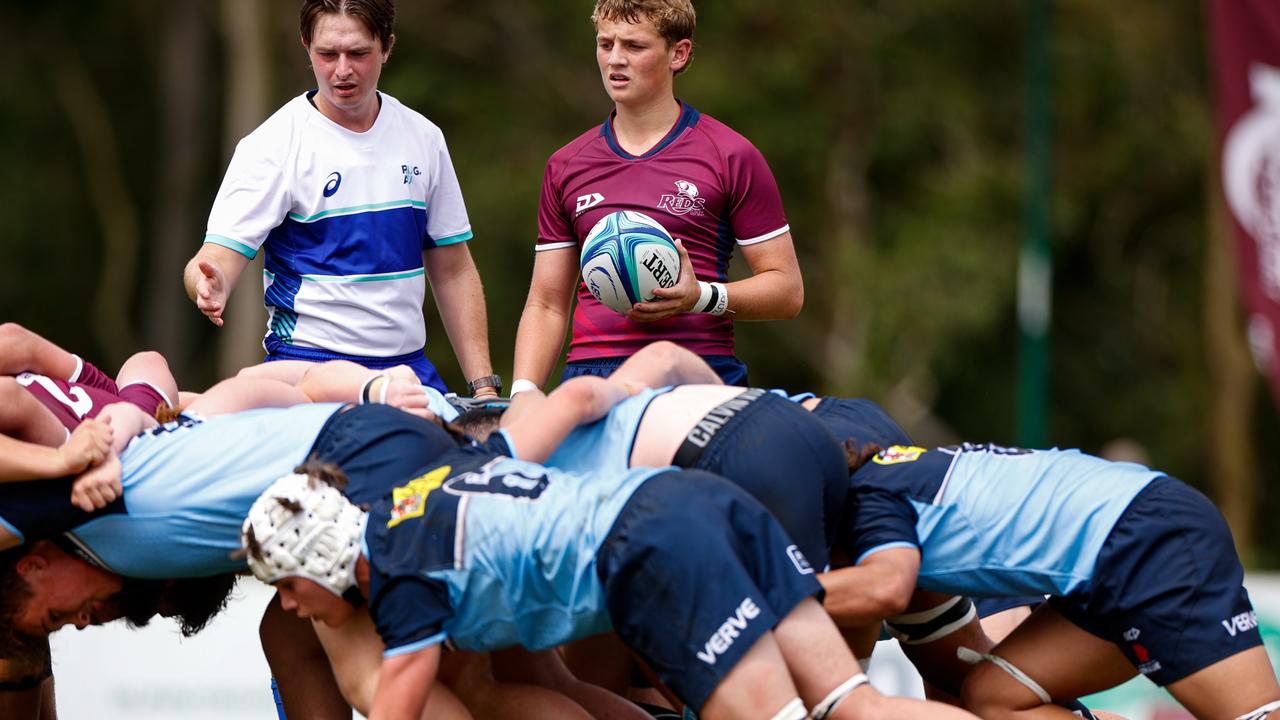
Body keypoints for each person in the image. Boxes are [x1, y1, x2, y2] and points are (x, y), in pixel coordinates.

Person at [240, 386, 979, 720]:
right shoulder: (436, 476)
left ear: (322, 557)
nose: (289, 607)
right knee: (852, 704)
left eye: (287, 585)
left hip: (656, 550)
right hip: (695, 498)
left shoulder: (400, 574)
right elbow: (570, 400)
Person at [822, 441, 1280, 720]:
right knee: (994, 699)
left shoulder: (868, 499)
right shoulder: (879, 475)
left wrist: (772, 592)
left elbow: (885, 592)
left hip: (1143, 539)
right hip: (1107, 557)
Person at [183, 0, 499, 398]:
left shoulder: (424, 138)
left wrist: (484, 388)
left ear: (387, 47)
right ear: (306, 46)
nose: (342, 70)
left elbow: (453, 269)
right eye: (327, 54)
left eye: (359, 53)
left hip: (407, 370)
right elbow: (213, 260)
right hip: (306, 368)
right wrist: (207, 285)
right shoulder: (271, 145)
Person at [512, 0, 803, 391]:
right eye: (605, 44)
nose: (615, 60)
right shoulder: (566, 164)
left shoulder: (730, 155)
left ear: (678, 54)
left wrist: (700, 296)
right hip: (592, 376)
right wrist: (524, 393)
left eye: (634, 46)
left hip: (697, 370)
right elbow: (546, 303)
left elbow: (786, 291)